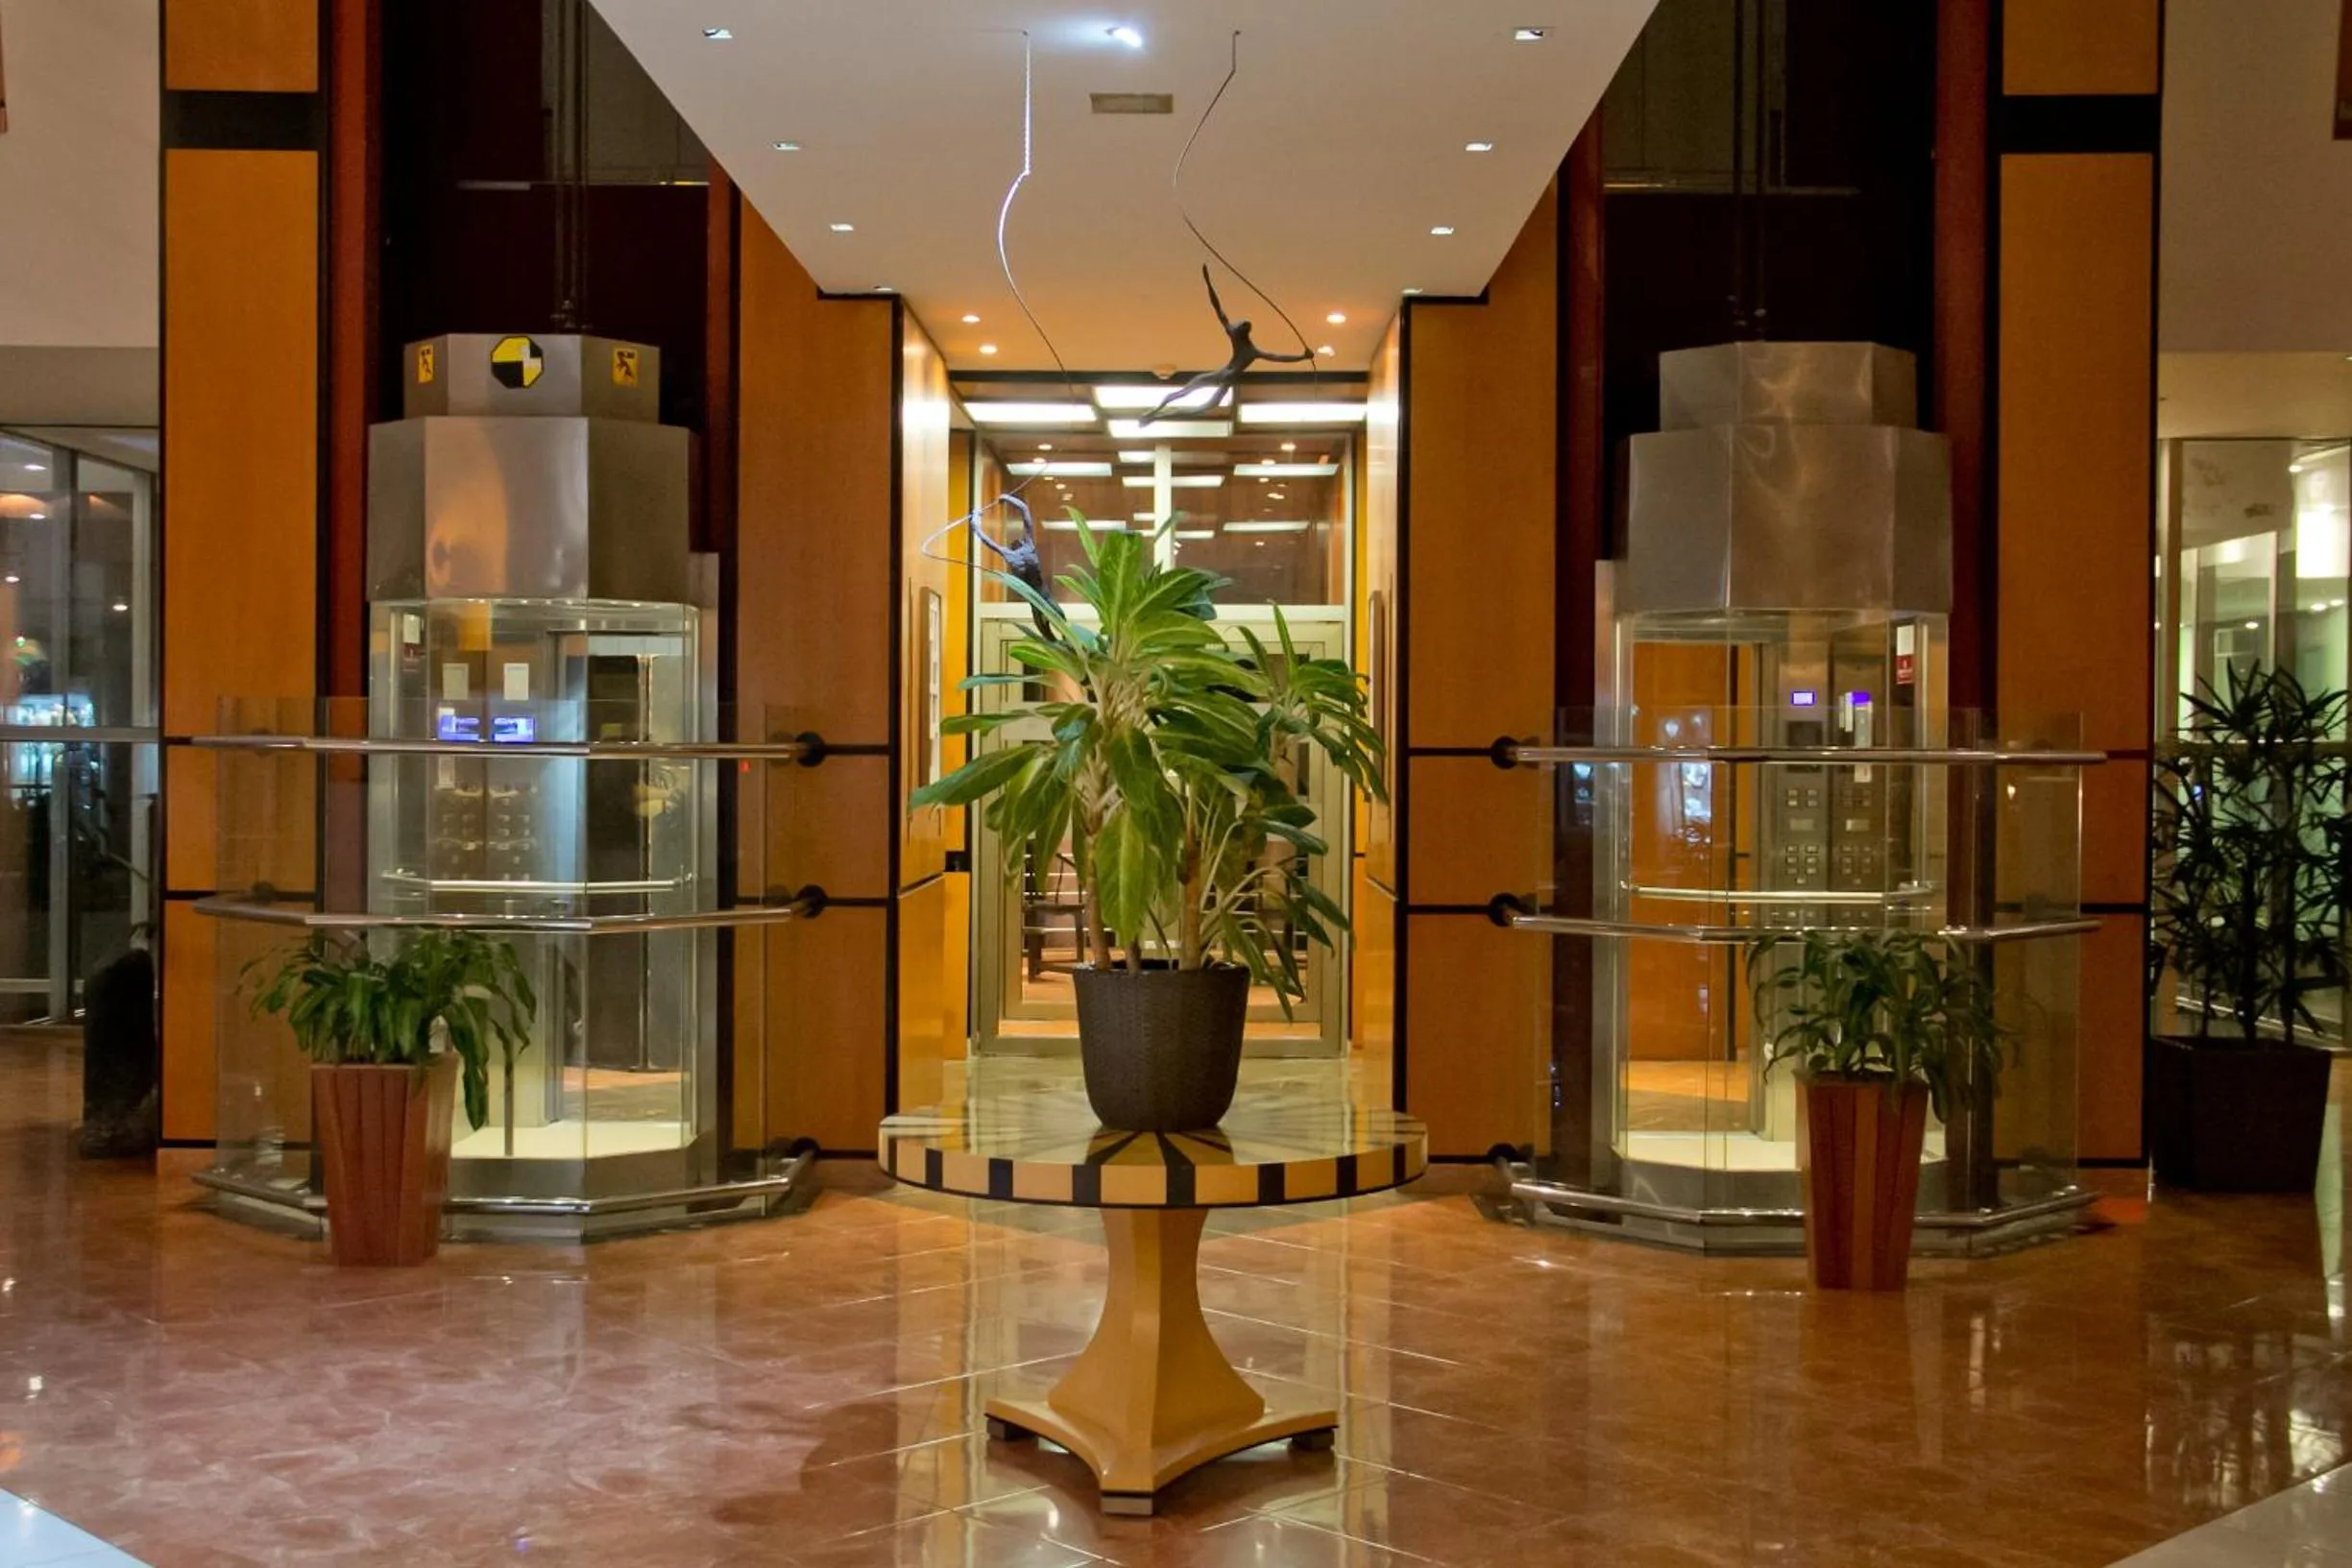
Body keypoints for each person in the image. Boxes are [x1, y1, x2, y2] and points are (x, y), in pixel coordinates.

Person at [1140, 265, 1316, 425]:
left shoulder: (1251, 351)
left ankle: (1156, 416)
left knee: (1197, 405)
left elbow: (1277, 357)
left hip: (1226, 379)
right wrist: (1208, 284)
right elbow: (1218, 309)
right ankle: (1154, 414)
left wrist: (1302, 357)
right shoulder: (1236, 336)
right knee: (1185, 394)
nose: (1236, 328)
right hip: (1223, 375)